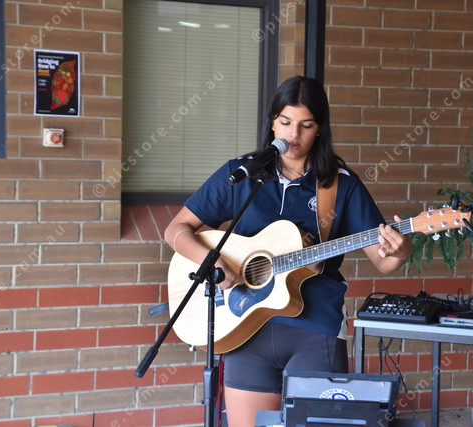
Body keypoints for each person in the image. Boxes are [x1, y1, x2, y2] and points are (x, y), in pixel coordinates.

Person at [164, 75, 413, 427]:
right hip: (243, 326)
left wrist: (400, 250)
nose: (293, 135)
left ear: (320, 129)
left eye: (305, 125)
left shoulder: (340, 184)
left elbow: (382, 260)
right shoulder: (242, 175)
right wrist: (213, 259)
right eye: (285, 122)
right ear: (272, 123)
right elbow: (176, 229)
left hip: (315, 329)